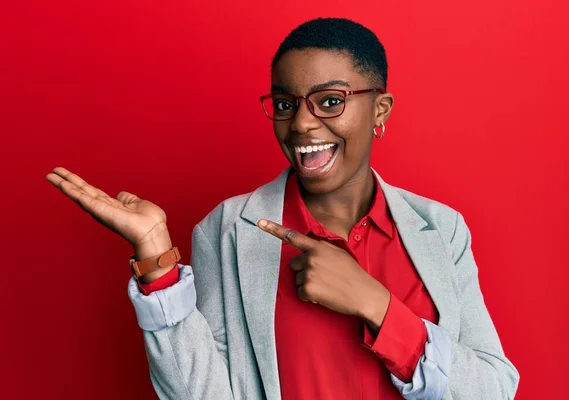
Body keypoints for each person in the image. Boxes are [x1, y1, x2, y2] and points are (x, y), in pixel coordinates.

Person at [46, 17, 519, 400]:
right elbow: (202, 394)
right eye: (286, 103)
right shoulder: (227, 230)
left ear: (381, 109)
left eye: (330, 101)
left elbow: (496, 387)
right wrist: (156, 260)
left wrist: (373, 304)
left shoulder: (441, 229)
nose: (302, 124)